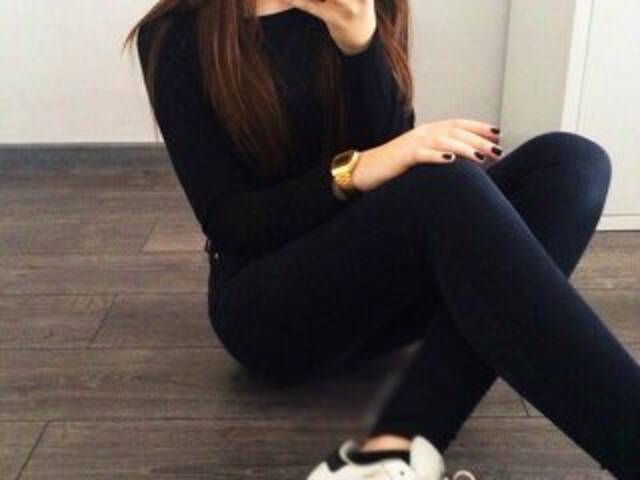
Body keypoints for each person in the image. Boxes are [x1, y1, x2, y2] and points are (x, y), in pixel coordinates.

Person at [125, 0, 640, 478]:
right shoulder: (177, 34)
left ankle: (394, 452)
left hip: (378, 286)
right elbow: (231, 221)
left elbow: (398, 163)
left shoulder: (368, 5)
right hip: (270, 309)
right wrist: (355, 171)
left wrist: (360, 46)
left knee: (572, 165)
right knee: (445, 185)